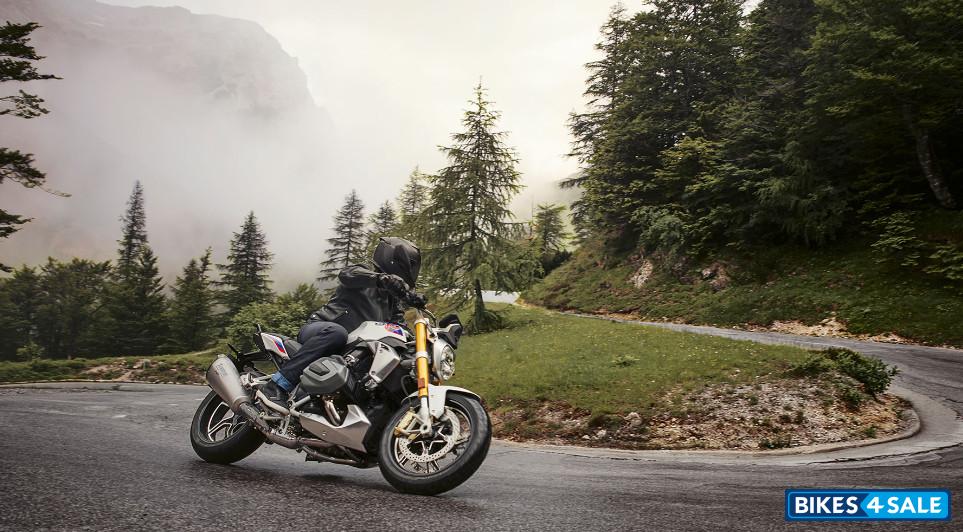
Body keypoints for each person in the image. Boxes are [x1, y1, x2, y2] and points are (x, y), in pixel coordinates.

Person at [261, 237, 424, 403]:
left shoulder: (392, 304)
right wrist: (382, 279)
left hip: (351, 351)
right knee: (338, 333)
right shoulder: (363, 274)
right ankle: (276, 386)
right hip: (322, 331)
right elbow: (347, 275)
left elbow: (402, 333)